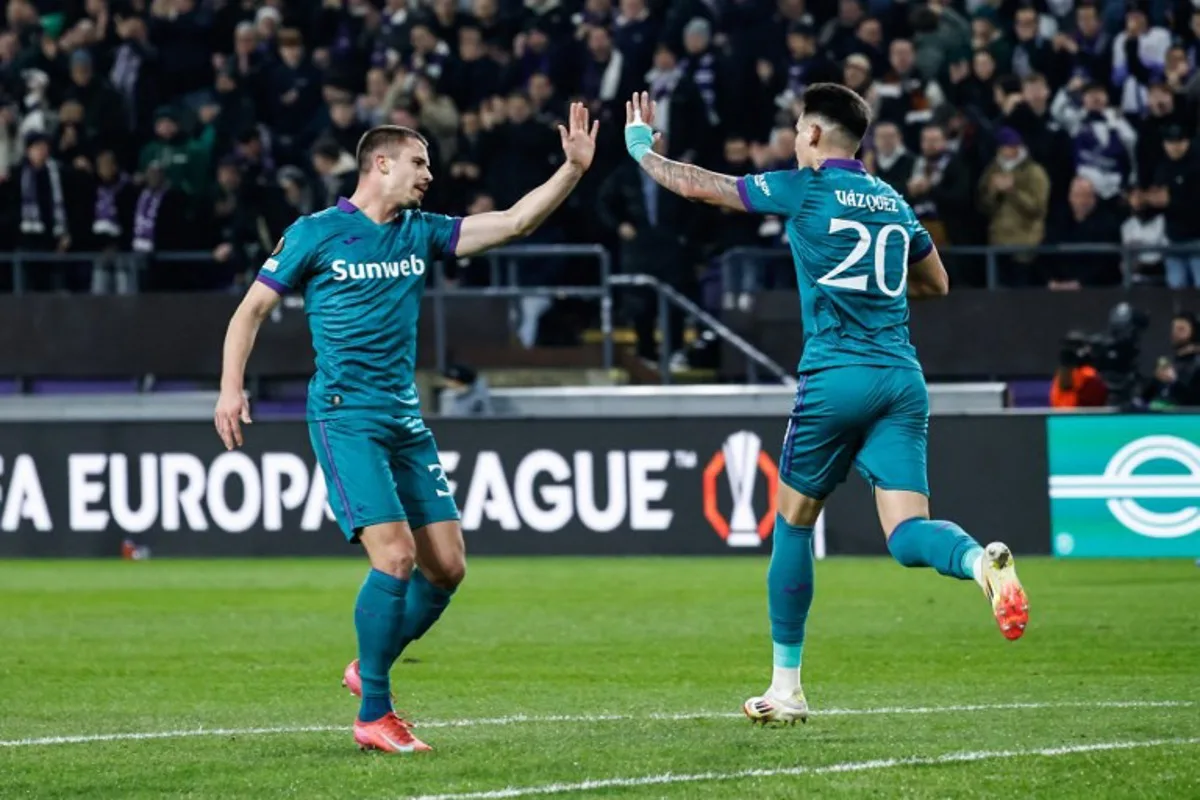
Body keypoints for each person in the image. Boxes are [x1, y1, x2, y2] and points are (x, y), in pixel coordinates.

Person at [622, 84, 1029, 726]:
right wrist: (877, 296)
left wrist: (642, 148)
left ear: (813, 135)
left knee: (792, 522)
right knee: (905, 534)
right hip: (901, 377)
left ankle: (787, 688)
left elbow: (704, 185)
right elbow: (938, 282)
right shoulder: (894, 202)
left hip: (836, 375)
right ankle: (982, 561)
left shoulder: (805, 188)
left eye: (795, 130)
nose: (792, 139)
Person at [214, 104, 599, 753]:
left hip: (403, 418)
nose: (429, 174)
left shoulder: (420, 232)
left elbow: (513, 221)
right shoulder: (315, 233)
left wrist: (572, 169)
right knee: (395, 556)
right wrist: (230, 388)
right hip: (345, 415)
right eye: (419, 162)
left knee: (446, 567)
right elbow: (249, 312)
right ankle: (374, 712)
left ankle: (369, 664)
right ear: (381, 164)